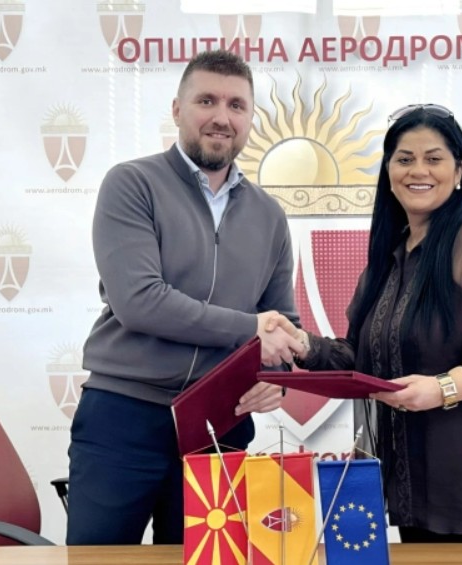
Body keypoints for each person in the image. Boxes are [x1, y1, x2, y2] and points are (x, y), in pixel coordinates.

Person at [270, 104, 462, 542]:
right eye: (405, 159)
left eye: (433, 158)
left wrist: (443, 388)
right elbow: (362, 360)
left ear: (459, 172)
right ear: (388, 172)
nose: (419, 170)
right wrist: (303, 344)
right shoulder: (387, 258)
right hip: (423, 488)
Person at [67, 49, 303, 545]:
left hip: (218, 424)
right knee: (99, 560)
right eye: (206, 101)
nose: (222, 117)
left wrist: (277, 378)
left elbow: (283, 323)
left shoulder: (269, 215)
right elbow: (140, 301)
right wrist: (250, 328)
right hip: (123, 417)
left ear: (250, 118)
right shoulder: (132, 184)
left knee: (207, 559)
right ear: (177, 110)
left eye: (237, 105)